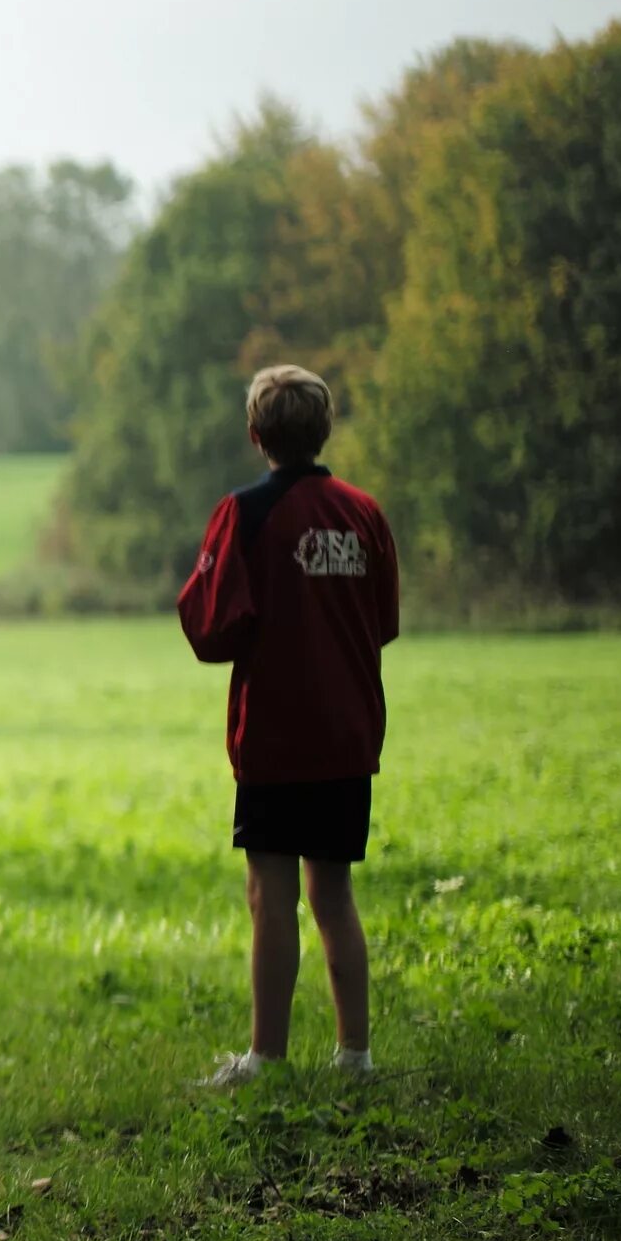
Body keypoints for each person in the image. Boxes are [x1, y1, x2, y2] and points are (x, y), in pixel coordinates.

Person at [176, 364, 399, 1089]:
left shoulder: (244, 514)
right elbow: (384, 622)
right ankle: (355, 1057)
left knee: (269, 896)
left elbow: (212, 630)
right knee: (332, 894)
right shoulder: (364, 513)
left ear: (255, 434)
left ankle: (267, 1060)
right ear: (324, 429)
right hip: (348, 734)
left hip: (275, 738)